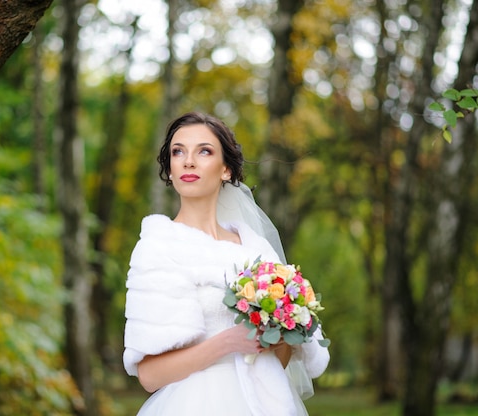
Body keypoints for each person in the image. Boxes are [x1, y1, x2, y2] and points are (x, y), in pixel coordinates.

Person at [123, 111, 330, 416]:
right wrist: (227, 343)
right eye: (178, 152)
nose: (188, 161)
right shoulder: (158, 247)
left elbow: (278, 357)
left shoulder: (255, 248)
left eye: (203, 151)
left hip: (263, 402)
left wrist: (278, 332)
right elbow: (150, 376)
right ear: (170, 167)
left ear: (226, 170)